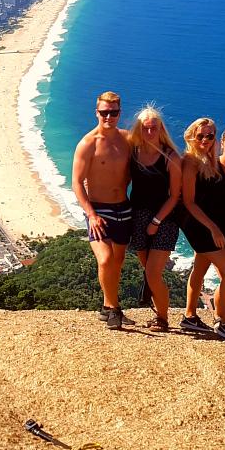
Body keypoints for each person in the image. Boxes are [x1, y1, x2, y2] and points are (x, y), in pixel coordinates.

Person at [177, 118, 225, 341]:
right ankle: (224, 323)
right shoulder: (190, 161)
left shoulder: (209, 159)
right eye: (201, 136)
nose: (205, 140)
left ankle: (190, 317)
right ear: (191, 137)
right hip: (198, 224)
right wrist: (214, 229)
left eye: (210, 136)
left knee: (200, 267)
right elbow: (189, 202)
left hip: (206, 223)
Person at [72, 91, 134, 329]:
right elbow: (77, 182)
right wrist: (91, 214)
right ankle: (113, 308)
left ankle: (108, 307)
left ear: (120, 112)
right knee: (106, 259)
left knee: (117, 262)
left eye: (114, 112)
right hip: (99, 210)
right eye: (104, 112)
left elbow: (150, 158)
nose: (109, 116)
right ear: (96, 112)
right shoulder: (88, 143)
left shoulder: (127, 139)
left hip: (124, 208)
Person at [127, 106, 182, 332]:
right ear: (139, 129)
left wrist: (156, 222)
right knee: (148, 271)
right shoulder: (133, 152)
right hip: (138, 218)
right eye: (145, 128)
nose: (150, 132)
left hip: (165, 220)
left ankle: (163, 318)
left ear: (161, 129)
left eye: (154, 128)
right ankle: (157, 312)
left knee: (152, 273)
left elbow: (175, 196)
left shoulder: (170, 156)